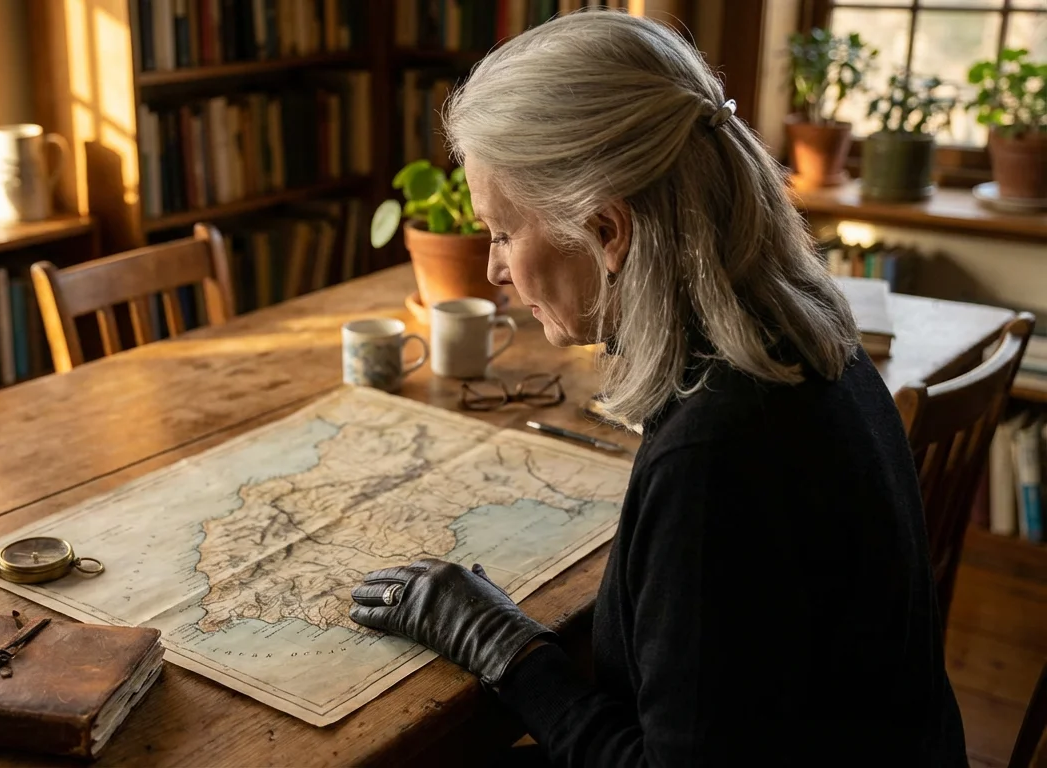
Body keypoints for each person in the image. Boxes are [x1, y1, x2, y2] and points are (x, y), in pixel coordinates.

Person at [348, 10, 968, 767]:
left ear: (609, 231)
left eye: (505, 232)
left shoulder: (716, 452)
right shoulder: (802, 332)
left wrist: (505, 648)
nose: (493, 271)